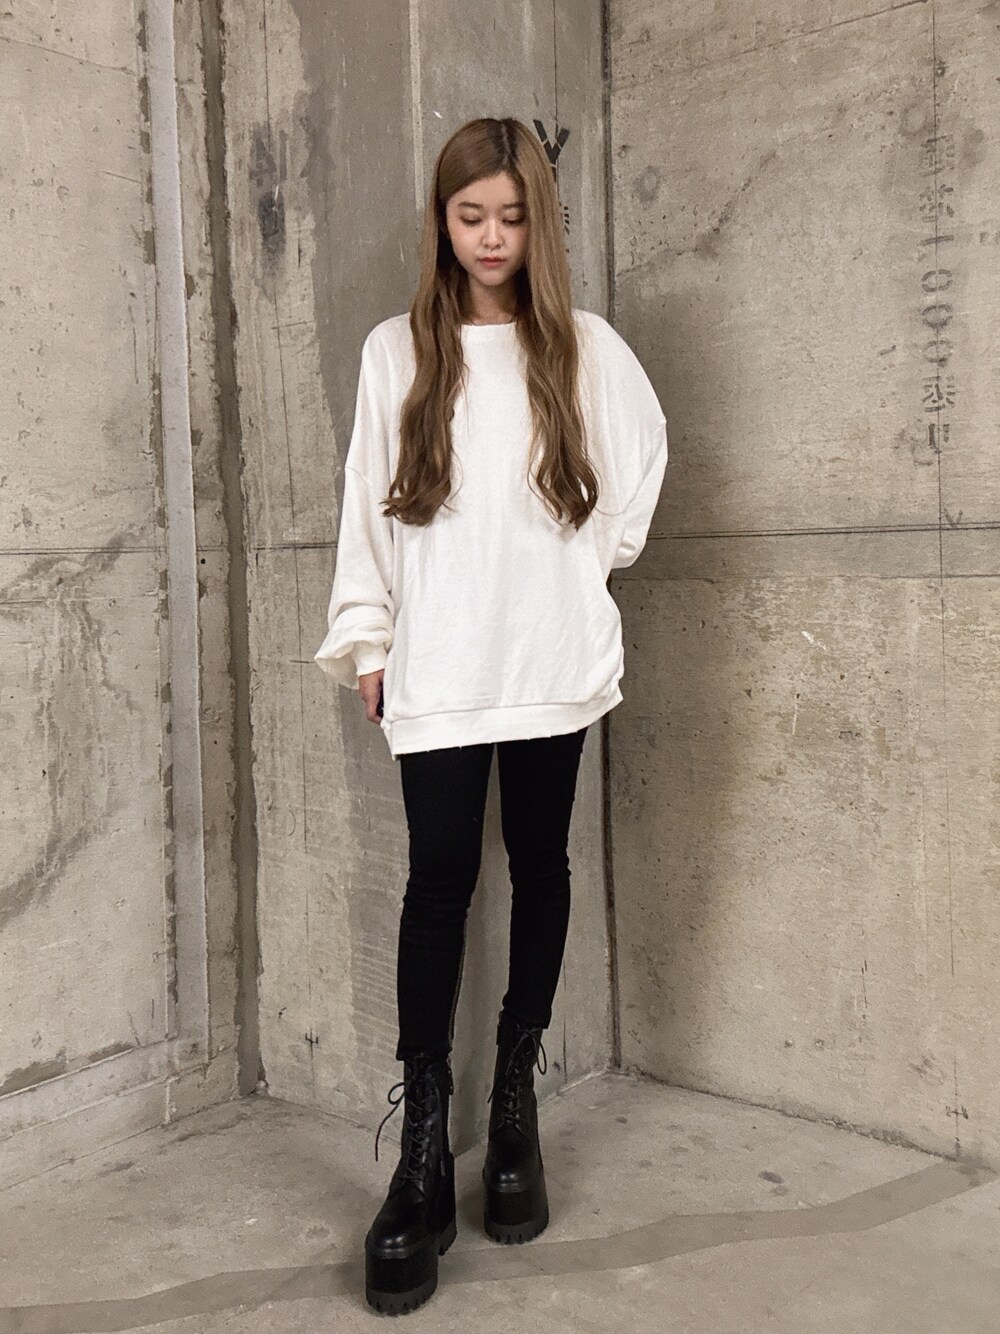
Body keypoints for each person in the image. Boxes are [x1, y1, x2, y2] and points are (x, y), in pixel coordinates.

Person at [314, 116, 668, 1315]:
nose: (492, 237)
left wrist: (580, 570)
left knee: (542, 863)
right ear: (442, 218)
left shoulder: (585, 348)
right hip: (445, 662)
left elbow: (639, 467)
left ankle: (513, 1106)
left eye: (513, 217)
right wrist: (368, 637)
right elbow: (366, 505)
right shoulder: (396, 351)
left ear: (538, 223)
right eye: (471, 215)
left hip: (549, 657)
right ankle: (422, 1150)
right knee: (439, 881)